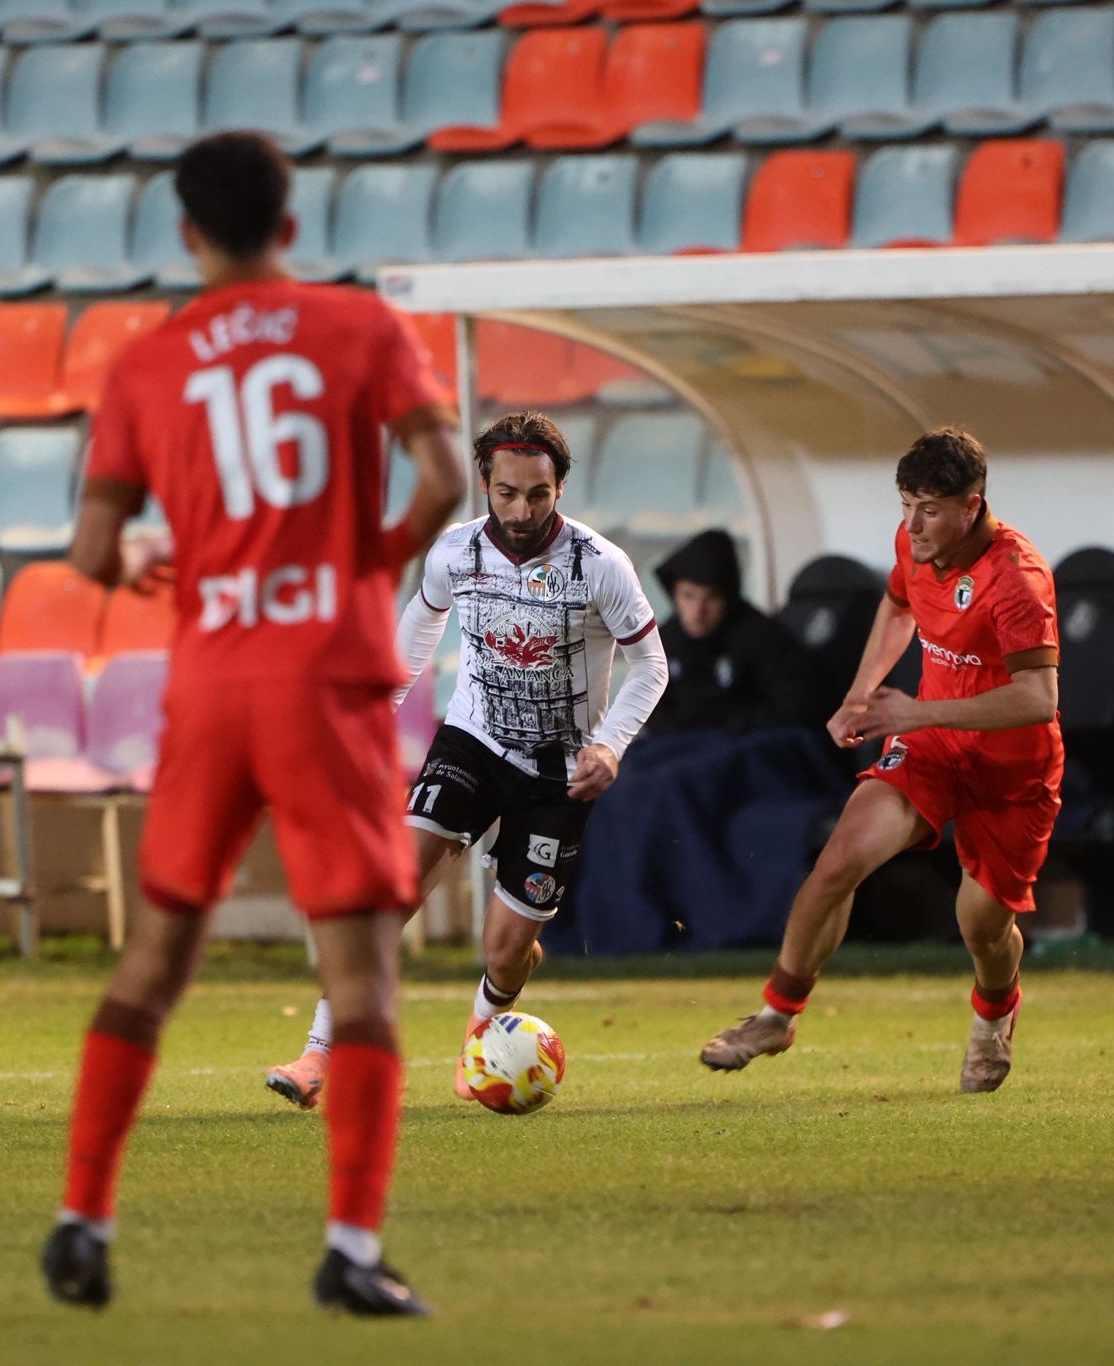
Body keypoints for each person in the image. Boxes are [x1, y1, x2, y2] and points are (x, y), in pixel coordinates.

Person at [40, 131, 466, 1318]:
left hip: (215, 682)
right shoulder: (358, 327)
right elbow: (442, 477)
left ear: (187, 233)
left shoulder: (146, 363)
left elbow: (90, 549)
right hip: (324, 677)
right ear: (288, 225)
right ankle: (349, 1247)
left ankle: (82, 1220)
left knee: (153, 959)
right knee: (362, 971)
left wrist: (139, 560)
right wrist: (365, 563)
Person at [264, 410, 669, 1109]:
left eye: (537, 494)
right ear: (485, 482)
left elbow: (651, 665)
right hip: (472, 743)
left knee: (506, 949)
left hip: (559, 772)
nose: (522, 510)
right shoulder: (455, 552)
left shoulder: (601, 565)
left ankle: (482, 1037)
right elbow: (417, 633)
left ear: (560, 488)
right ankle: (319, 1053)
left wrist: (609, 743)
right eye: (507, 493)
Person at [698, 428, 1062, 1093]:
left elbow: (1038, 699)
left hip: (1011, 768)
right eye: (906, 506)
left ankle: (994, 1014)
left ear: (971, 505)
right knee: (838, 863)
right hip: (930, 744)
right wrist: (860, 695)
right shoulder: (915, 545)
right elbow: (898, 606)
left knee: (982, 927)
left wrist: (919, 711)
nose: (912, 525)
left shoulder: (1017, 578)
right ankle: (777, 1015)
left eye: (929, 509)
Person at [648, 528, 811, 735]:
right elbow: (649, 708)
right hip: (678, 744)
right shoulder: (664, 641)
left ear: (728, 600)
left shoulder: (763, 639)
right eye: (688, 596)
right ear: (674, 595)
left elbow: (793, 709)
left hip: (747, 742)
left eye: (711, 598)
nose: (698, 611)